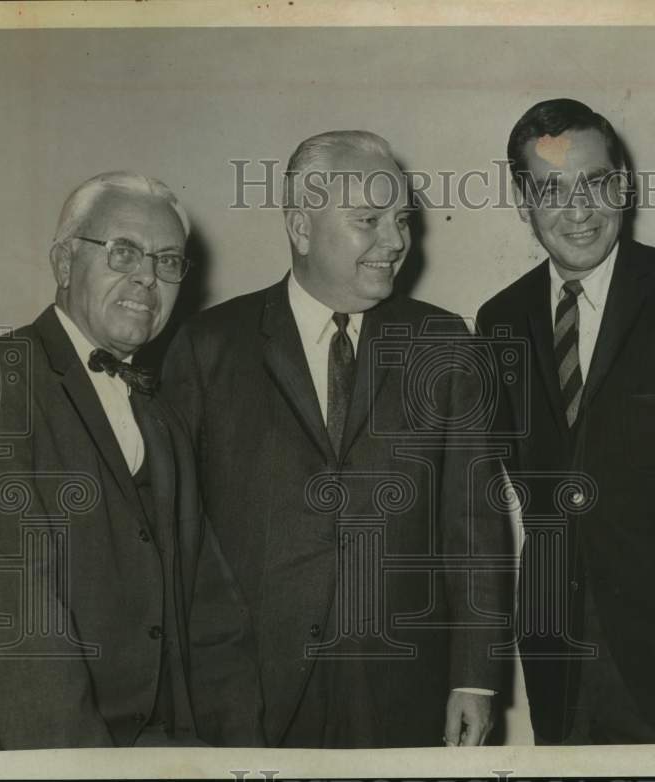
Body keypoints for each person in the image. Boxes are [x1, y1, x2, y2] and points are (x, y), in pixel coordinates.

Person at [161, 131, 512, 748]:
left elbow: (475, 529)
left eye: (401, 219)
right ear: (301, 227)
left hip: (403, 685)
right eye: (368, 220)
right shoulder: (208, 346)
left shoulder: (446, 342)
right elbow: (180, 537)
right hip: (250, 692)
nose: (396, 240)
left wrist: (476, 680)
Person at [476, 98, 655, 744]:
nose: (578, 210)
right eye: (551, 190)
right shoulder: (499, 320)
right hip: (555, 656)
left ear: (624, 186)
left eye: (596, 183)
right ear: (522, 203)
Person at [0, 171, 264, 749]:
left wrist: (238, 758)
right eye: (123, 252)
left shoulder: (162, 414)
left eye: (167, 261)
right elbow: (14, 624)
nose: (146, 277)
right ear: (63, 263)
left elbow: (209, 614)